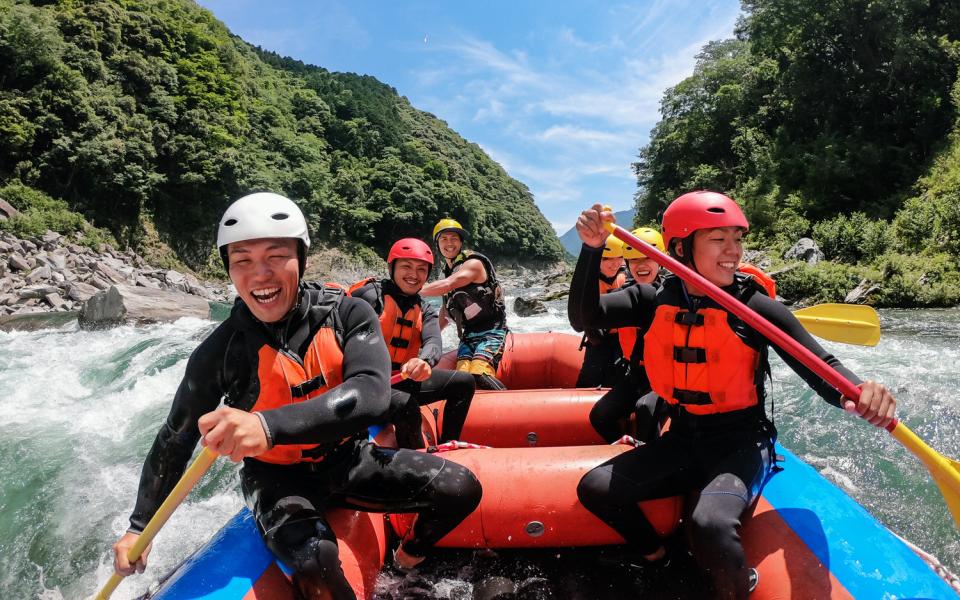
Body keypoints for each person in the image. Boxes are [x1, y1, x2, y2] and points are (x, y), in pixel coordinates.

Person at [111, 193, 482, 600]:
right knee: (314, 560)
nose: (260, 275)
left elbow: (372, 394)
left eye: (276, 256)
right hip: (276, 479)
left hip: (349, 459)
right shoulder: (221, 351)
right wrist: (138, 527)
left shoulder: (347, 314)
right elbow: (175, 438)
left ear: (301, 260)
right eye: (242, 261)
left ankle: (408, 555)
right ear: (230, 272)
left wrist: (265, 425)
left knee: (461, 487)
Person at [573, 192, 897, 599]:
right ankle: (659, 557)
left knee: (708, 524)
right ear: (679, 248)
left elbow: (821, 368)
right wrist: (590, 251)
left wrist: (859, 393)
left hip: (742, 441)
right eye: (717, 239)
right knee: (595, 488)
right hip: (684, 437)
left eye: (737, 239)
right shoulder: (652, 298)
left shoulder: (755, 307)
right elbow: (584, 318)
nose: (733, 251)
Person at [349, 237, 476, 449]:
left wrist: (425, 360)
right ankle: (416, 462)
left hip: (401, 378)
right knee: (405, 405)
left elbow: (433, 340)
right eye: (406, 267)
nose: (413, 275)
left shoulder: (424, 309)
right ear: (392, 267)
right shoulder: (368, 296)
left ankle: (447, 446)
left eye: (421, 269)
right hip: (365, 383)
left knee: (464, 383)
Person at [570, 227, 667, 443]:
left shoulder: (675, 294)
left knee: (645, 408)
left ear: (662, 260)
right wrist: (590, 250)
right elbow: (579, 319)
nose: (641, 265)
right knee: (600, 416)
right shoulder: (629, 295)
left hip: (669, 376)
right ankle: (626, 447)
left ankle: (650, 457)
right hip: (637, 374)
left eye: (648, 258)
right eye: (633, 260)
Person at [420, 218, 508, 390]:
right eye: (443, 239)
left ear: (460, 242)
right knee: (463, 379)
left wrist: (412, 289)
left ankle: (509, 405)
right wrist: (426, 340)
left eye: (454, 238)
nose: (449, 243)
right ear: (437, 244)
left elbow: (450, 283)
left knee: (479, 374)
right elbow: (446, 313)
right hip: (468, 336)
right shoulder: (449, 271)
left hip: (492, 331)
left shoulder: (473, 264)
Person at [571, 234, 628, 388]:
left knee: (619, 376)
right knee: (589, 378)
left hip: (624, 339)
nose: (614, 264)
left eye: (619, 258)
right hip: (597, 337)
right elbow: (578, 319)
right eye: (607, 259)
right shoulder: (590, 281)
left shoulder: (627, 277)